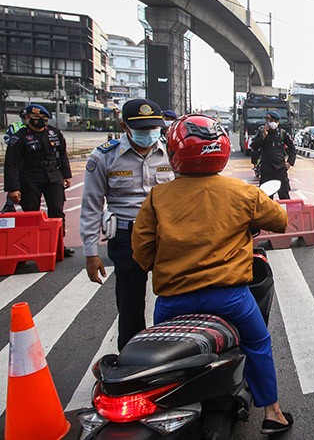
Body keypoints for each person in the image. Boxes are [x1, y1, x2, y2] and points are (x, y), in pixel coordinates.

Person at [131, 114, 293, 435]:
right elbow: (280, 221)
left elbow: (142, 254)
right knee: (258, 343)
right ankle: (273, 413)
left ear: (176, 152)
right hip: (230, 298)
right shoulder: (242, 192)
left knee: (165, 361)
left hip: (172, 301)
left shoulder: (158, 198)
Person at [80, 98, 175, 351]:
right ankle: (132, 359)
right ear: (124, 126)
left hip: (166, 236)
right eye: (142, 130)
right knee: (130, 304)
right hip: (126, 237)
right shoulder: (103, 157)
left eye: (153, 128)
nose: (149, 134)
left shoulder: (171, 153)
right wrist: (91, 254)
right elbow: (91, 206)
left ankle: (173, 353)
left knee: (176, 297)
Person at [4, 104, 74, 256]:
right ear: (28, 118)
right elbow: (11, 163)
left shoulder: (54, 133)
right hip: (30, 179)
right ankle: (33, 247)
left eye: (44, 118)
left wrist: (67, 175)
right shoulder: (20, 137)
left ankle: (58, 245)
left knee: (57, 211)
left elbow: (62, 154)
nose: (41, 121)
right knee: (31, 213)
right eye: (37, 118)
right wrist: (13, 188)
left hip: (53, 177)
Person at [251, 111, 295, 199]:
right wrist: (263, 136)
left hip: (280, 169)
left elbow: (292, 148)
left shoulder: (282, 133)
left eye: (273, 120)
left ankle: (284, 213)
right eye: (269, 120)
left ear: (277, 122)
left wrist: (289, 162)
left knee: (284, 195)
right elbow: (254, 146)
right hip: (266, 169)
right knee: (266, 198)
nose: (271, 122)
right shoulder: (261, 132)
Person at [2, 109, 26, 212]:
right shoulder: (15, 126)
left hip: (29, 159)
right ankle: (9, 204)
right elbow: (7, 138)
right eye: (24, 117)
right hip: (17, 157)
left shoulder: (36, 126)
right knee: (15, 180)